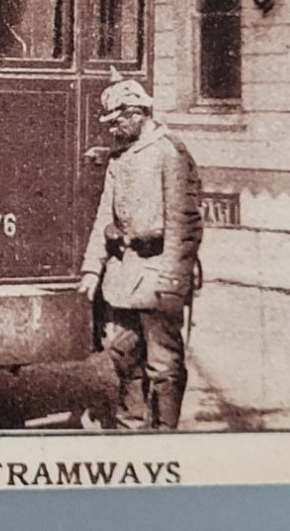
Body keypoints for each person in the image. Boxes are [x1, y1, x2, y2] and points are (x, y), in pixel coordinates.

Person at [78, 74, 203, 430]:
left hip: (158, 273)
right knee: (123, 353)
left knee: (163, 364)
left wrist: (173, 281)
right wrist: (92, 269)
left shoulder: (170, 153)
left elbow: (185, 224)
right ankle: (130, 425)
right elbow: (105, 213)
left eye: (116, 121)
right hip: (124, 274)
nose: (112, 130)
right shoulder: (121, 158)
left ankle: (163, 434)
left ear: (136, 114)